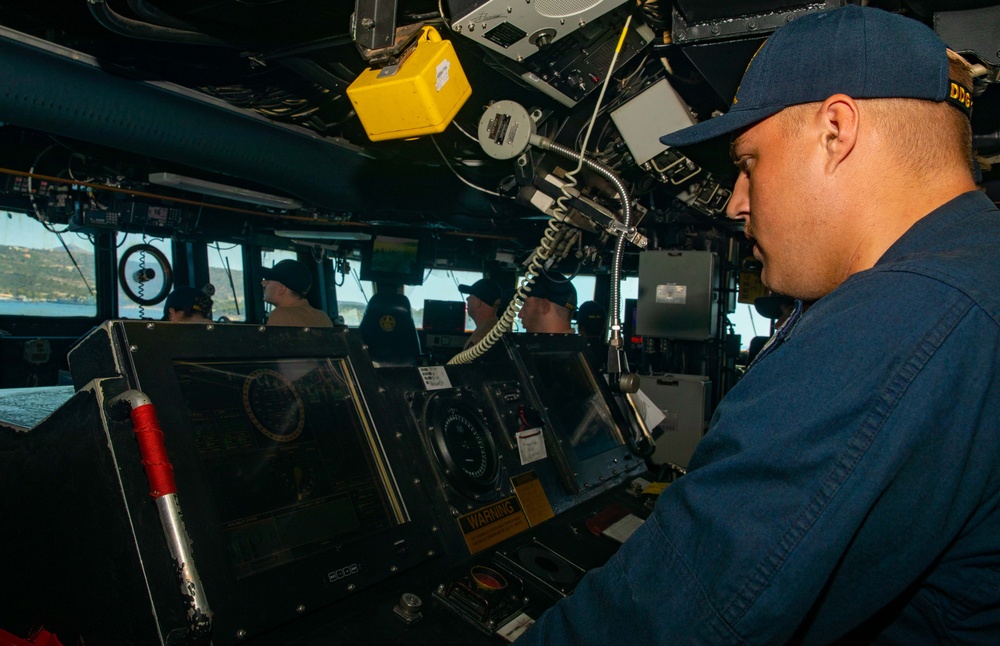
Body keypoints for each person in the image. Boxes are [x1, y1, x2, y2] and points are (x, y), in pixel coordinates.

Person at [518, 6, 1000, 644]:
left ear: (836, 130)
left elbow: (676, 617)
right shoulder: (973, 270)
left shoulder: (900, 317)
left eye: (747, 164)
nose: (736, 203)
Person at [261, 259, 333, 327]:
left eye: (268, 280)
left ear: (281, 289)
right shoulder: (323, 317)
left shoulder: (280, 315)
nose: (263, 283)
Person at [458, 278, 503, 350]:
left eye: (471, 295)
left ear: (477, 302)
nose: (467, 298)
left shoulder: (480, 337)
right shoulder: (500, 329)